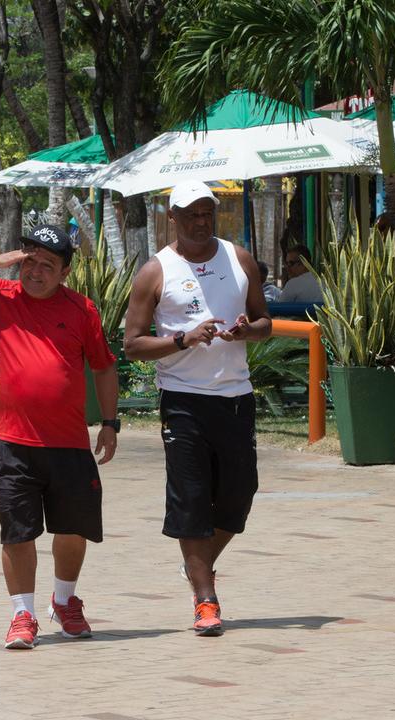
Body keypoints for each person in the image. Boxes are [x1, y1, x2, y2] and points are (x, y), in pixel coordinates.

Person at [0, 224, 119, 651]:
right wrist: (0, 261)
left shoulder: (82, 310)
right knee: (17, 532)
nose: (35, 272)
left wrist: (110, 423)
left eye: (47, 265)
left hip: (69, 442)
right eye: (29, 261)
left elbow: (104, 367)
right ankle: (23, 614)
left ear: (65, 272)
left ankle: (65, 600)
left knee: (74, 530)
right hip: (13, 440)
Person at [122, 181, 271, 637]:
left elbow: (265, 322)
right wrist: (182, 339)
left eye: (207, 213)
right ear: (173, 217)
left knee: (239, 495)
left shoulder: (239, 259)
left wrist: (248, 331)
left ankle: (196, 565)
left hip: (235, 398)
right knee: (191, 501)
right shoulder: (156, 271)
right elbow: (131, 344)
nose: (201, 222)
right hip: (184, 400)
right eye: (191, 215)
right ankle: (206, 600)